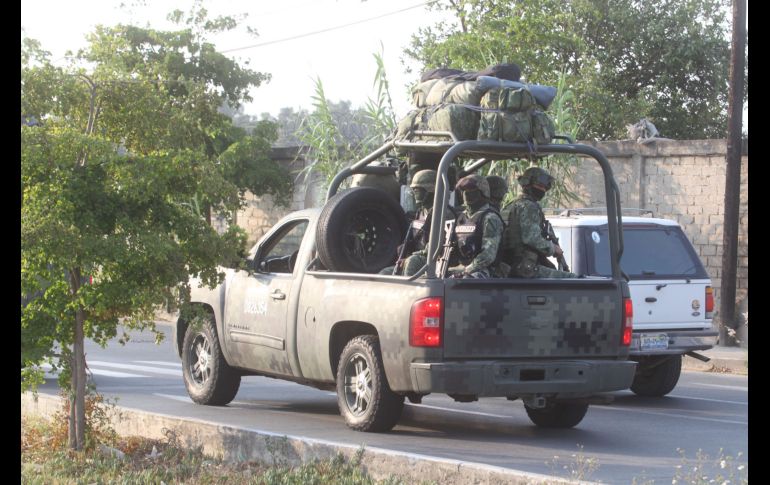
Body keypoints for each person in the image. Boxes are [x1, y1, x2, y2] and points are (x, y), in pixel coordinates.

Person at [501, 167, 576, 278]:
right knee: (574, 280)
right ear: (528, 184)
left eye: (545, 187)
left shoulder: (512, 205)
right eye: (540, 186)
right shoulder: (529, 206)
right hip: (523, 268)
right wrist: (553, 248)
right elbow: (531, 238)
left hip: (510, 265)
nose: (543, 190)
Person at [380, 169, 457, 276]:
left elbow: (437, 246)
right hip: (418, 258)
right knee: (385, 273)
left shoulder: (444, 213)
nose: (414, 194)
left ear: (430, 191)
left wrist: (411, 257)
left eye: (417, 190)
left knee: (412, 262)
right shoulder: (421, 212)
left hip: (435, 260)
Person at [446, 174, 504, 279]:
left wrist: (465, 270)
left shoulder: (490, 218)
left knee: (465, 280)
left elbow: (488, 256)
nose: (467, 194)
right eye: (464, 191)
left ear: (483, 192)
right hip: (463, 267)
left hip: (487, 271)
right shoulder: (461, 217)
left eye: (472, 191)